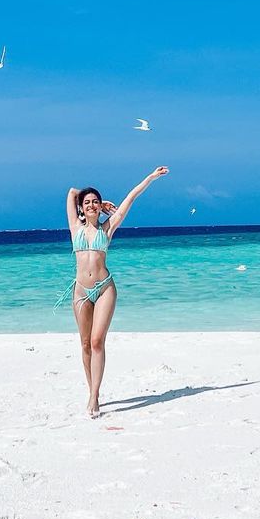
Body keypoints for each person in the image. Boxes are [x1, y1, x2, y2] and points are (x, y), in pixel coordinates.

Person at [61, 167, 169, 417]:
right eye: (88, 203)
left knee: (97, 342)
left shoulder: (107, 228)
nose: (91, 205)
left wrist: (151, 177)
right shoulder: (75, 227)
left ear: (100, 207)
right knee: (85, 344)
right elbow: (72, 192)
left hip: (104, 289)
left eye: (95, 202)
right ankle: (92, 390)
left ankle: (94, 396)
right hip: (80, 291)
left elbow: (131, 197)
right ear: (81, 207)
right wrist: (93, 200)